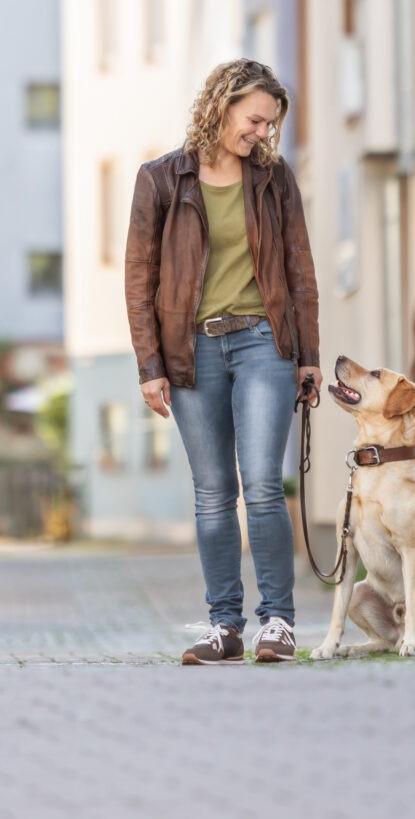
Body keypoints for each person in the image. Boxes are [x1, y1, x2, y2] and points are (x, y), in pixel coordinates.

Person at [125, 59, 321, 665]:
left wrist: (309, 355)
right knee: (212, 492)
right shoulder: (161, 179)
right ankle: (224, 627)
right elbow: (140, 278)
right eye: (255, 119)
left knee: (262, 484)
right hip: (191, 349)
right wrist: (149, 364)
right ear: (223, 104)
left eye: (270, 124)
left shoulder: (273, 179)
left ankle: (279, 623)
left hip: (263, 339)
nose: (262, 132)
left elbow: (299, 268)